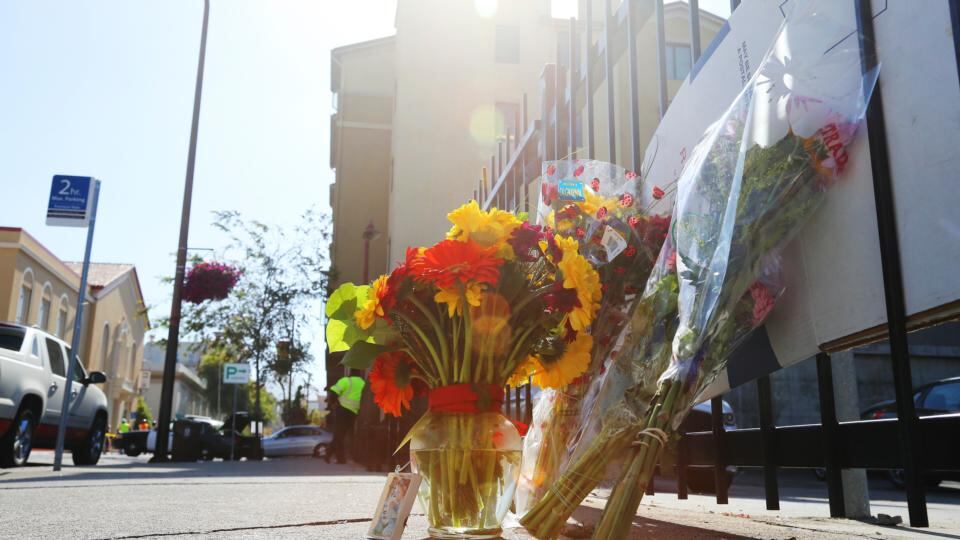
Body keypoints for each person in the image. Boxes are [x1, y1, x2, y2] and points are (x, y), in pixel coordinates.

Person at [326, 370, 365, 464]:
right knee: (351, 435)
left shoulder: (346, 380)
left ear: (350, 372)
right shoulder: (363, 383)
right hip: (355, 412)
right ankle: (346, 458)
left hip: (343, 410)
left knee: (339, 435)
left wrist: (332, 404)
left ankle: (331, 454)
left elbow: (334, 393)